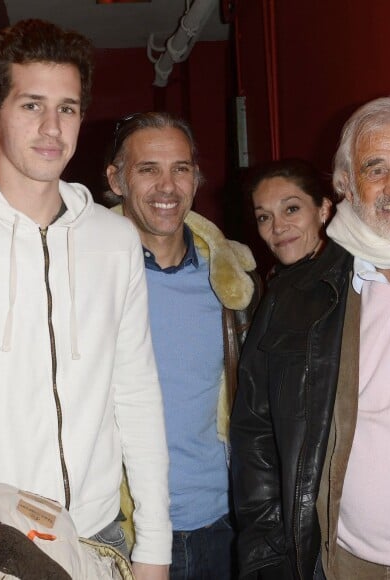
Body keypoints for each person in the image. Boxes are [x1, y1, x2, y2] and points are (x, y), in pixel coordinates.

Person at [0, 20, 171, 580]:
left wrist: (154, 546)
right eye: (31, 105)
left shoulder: (115, 239)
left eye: (68, 108)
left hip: (101, 535)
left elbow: (138, 395)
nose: (52, 128)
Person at [232, 91, 390, 580]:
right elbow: (257, 437)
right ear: (347, 185)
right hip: (336, 561)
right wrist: (269, 560)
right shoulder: (296, 294)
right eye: (376, 168)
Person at [105, 112, 261, 579]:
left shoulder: (233, 283)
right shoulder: (85, 278)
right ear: (115, 179)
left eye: (181, 168)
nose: (167, 186)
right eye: (148, 169)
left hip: (219, 524)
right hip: (116, 527)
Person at [230, 159, 342, 580]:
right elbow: (254, 428)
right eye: (264, 216)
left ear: (324, 209)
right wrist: (264, 543)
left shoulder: (358, 280)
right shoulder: (277, 293)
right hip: (295, 535)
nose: (277, 227)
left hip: (347, 528)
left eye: (291, 209)